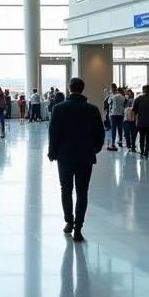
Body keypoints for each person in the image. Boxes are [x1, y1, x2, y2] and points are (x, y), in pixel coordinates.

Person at [47, 77, 105, 242]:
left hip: (64, 156)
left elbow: (53, 133)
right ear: (83, 89)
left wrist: (52, 152)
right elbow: (100, 134)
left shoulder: (58, 109)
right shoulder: (92, 109)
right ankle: (78, 228)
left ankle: (69, 222)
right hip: (85, 156)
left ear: (69, 88)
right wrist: (94, 149)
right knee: (82, 192)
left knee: (66, 189)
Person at [132, 85, 149, 159]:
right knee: (148, 137)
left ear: (143, 90)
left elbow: (134, 109)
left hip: (140, 121)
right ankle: (146, 151)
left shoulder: (138, 99)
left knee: (141, 137)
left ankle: (142, 151)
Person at [105, 83, 125, 151]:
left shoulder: (112, 96)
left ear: (112, 88)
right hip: (120, 114)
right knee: (120, 128)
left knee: (113, 129)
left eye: (110, 88)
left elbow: (109, 103)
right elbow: (124, 103)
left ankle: (113, 143)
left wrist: (108, 95)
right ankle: (120, 142)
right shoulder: (121, 96)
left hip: (114, 114)